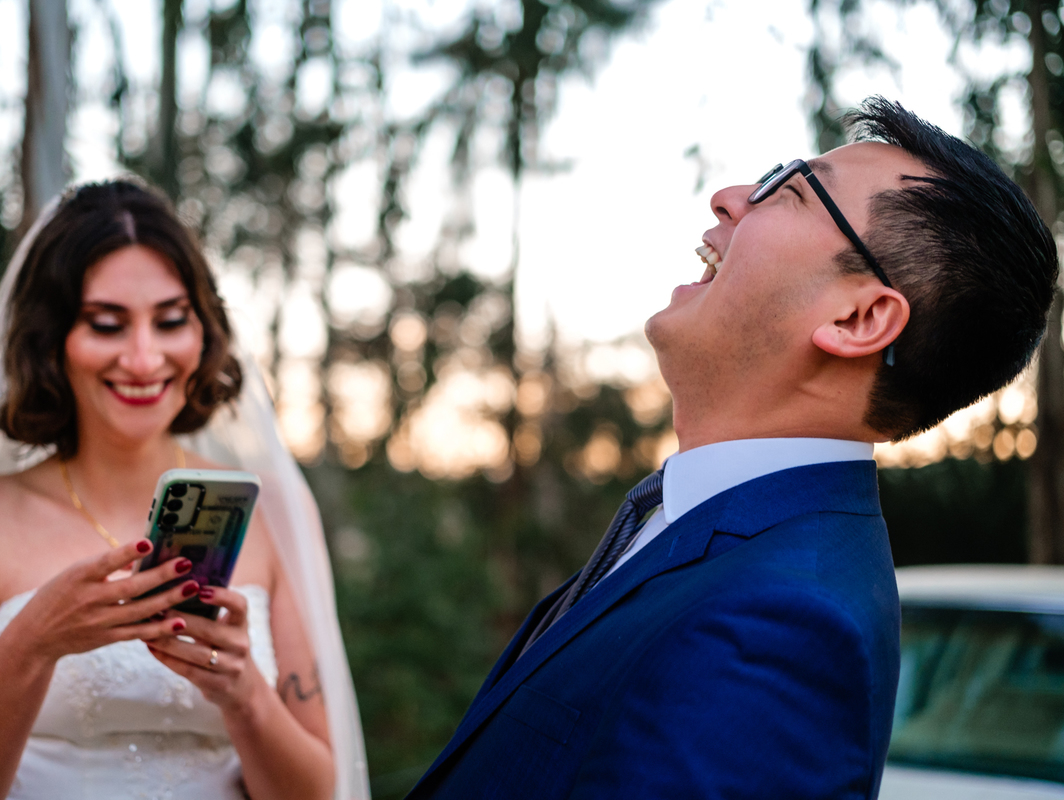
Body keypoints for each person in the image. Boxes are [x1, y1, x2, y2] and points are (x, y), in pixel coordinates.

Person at [406, 97, 1059, 799]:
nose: (729, 198)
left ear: (858, 317)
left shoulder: (781, 628)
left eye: (794, 191)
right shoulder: (715, 536)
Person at [0, 180, 369, 800]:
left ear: (203, 332)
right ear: (52, 342)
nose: (143, 357)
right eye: (107, 324)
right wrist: (32, 644)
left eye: (171, 320)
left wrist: (242, 692)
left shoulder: (273, 513)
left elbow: (320, 793)